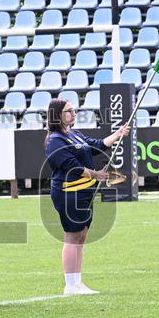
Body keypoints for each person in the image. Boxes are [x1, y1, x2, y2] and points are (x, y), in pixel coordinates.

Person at [44, 98, 130, 294]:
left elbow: (96, 145)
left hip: (85, 191)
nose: (74, 114)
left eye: (74, 110)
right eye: (69, 111)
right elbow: (71, 165)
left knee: (81, 235)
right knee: (72, 236)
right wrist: (96, 174)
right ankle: (70, 285)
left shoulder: (74, 134)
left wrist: (118, 134)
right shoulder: (54, 139)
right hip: (69, 191)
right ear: (57, 115)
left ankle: (78, 282)